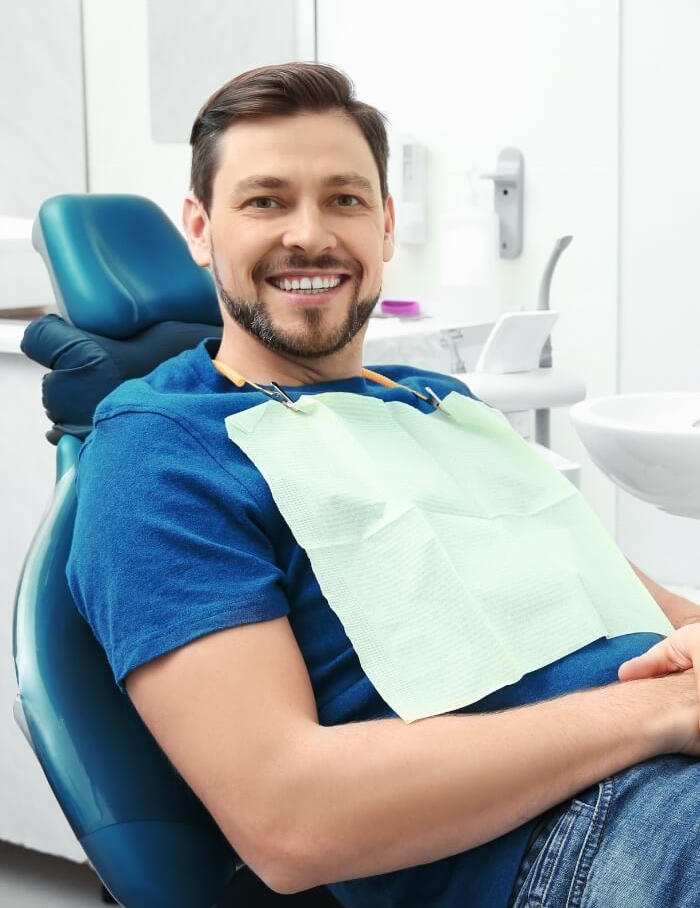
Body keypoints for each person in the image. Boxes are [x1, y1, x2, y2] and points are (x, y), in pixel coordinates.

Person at [67, 62, 700, 908]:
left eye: (344, 199)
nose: (309, 234)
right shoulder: (161, 453)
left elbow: (630, 596)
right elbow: (287, 818)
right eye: (264, 201)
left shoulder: (445, 408)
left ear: (386, 225)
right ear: (199, 227)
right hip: (569, 841)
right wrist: (658, 715)